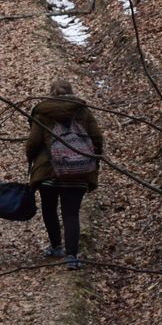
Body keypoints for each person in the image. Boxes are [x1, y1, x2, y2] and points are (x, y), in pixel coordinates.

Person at [25, 77, 104, 269]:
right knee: (71, 214)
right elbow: (97, 138)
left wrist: (32, 158)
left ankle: (56, 246)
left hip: (49, 171)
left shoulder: (42, 112)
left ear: (51, 93)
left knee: (49, 209)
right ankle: (72, 257)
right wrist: (94, 160)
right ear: (71, 91)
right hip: (78, 171)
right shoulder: (82, 110)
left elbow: (33, 143)